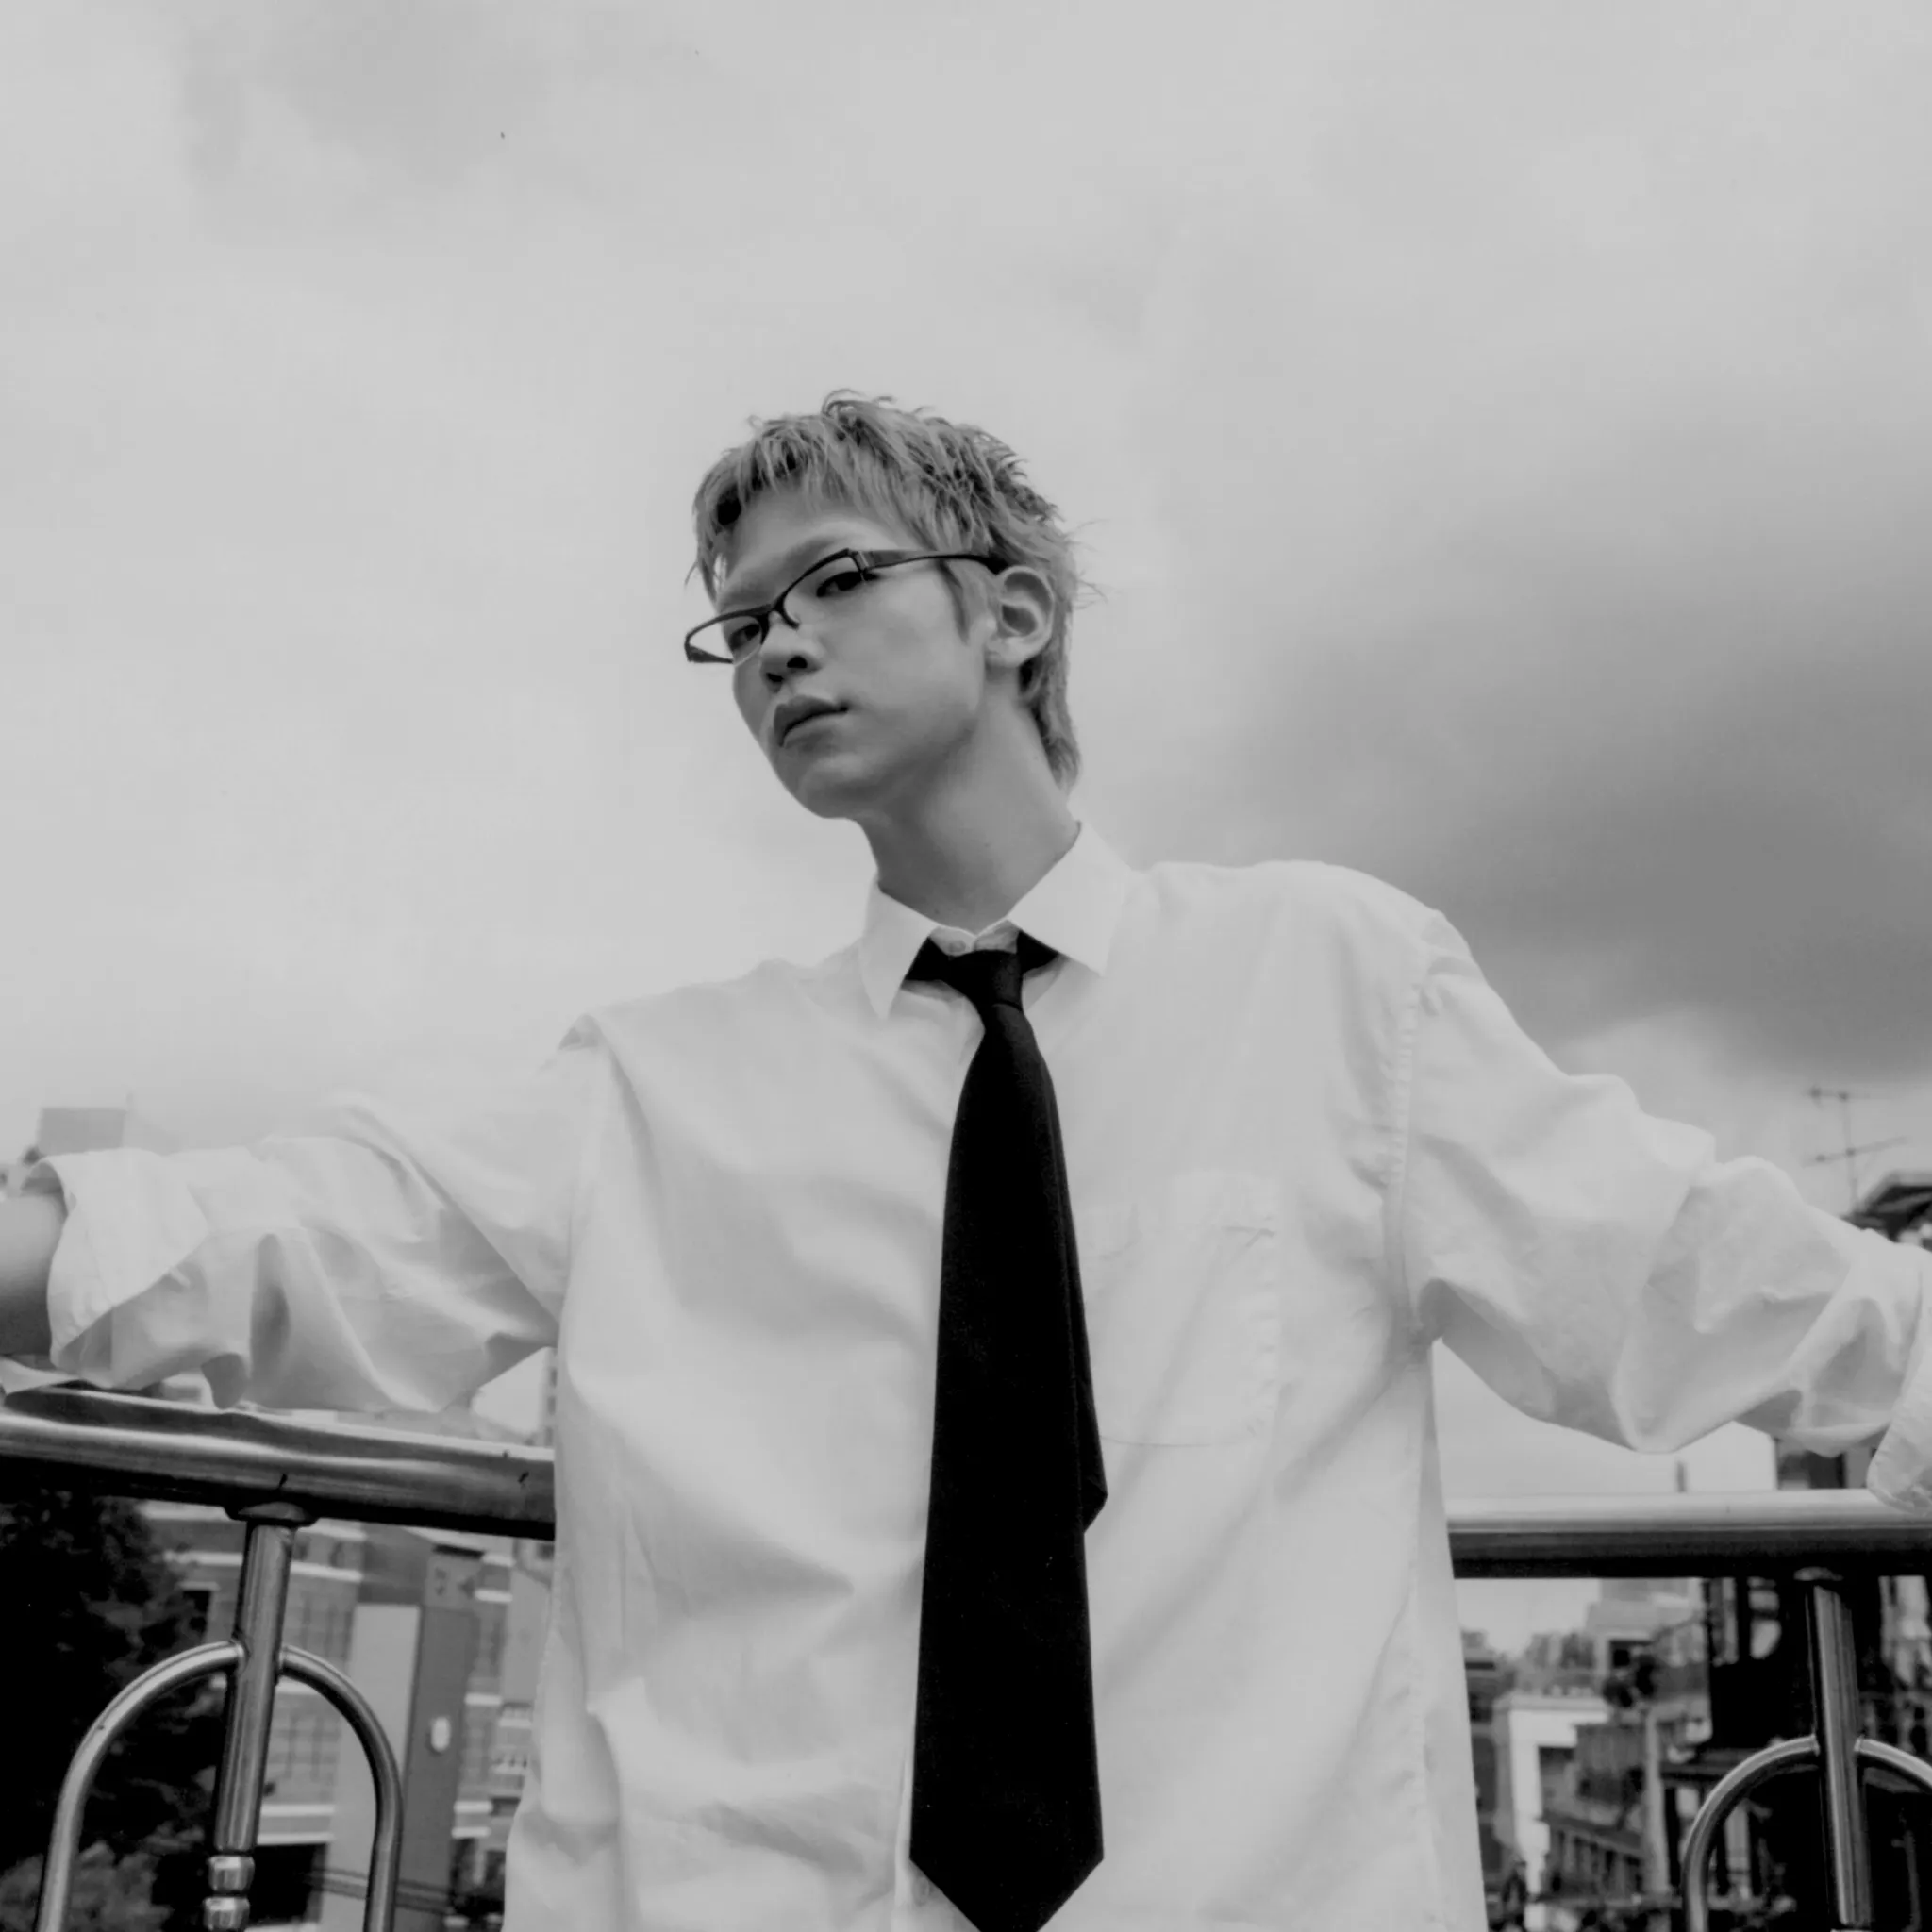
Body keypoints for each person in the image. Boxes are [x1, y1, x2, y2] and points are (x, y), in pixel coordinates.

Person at [4, 391, 1931, 1932]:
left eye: (833, 579)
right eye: (739, 622)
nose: (775, 645)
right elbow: (272, 1242)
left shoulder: (1329, 983)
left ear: (1012, 614)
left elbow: (1692, 1270)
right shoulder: (651, 1088)